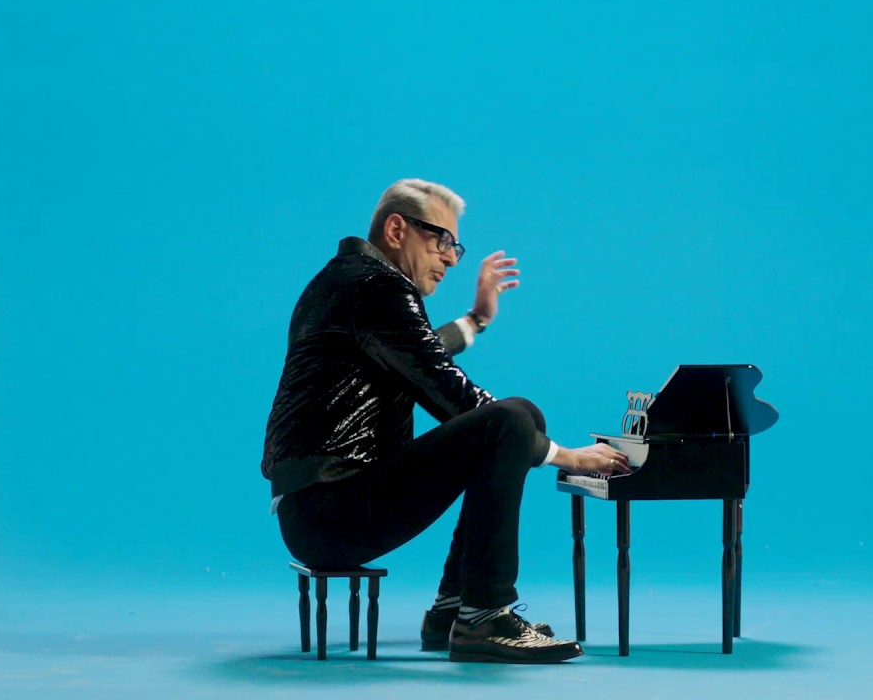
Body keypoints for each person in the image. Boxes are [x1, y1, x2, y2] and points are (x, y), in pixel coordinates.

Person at [262, 178, 630, 664]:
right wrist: (569, 457)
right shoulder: (377, 287)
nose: (452, 259)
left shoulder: (351, 281)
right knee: (509, 422)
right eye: (441, 240)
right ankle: (484, 615)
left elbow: (416, 353)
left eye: (455, 246)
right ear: (397, 230)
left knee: (521, 415)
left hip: (319, 508)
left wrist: (477, 319)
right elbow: (450, 392)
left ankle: (454, 608)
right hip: (332, 512)